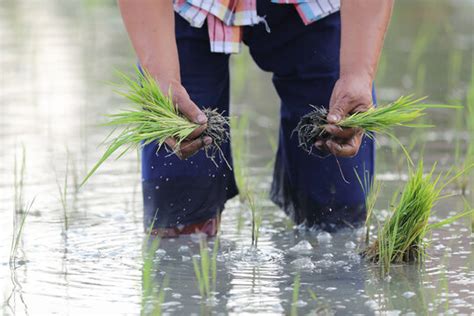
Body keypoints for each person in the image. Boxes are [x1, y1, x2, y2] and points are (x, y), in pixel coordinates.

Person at [118, 0, 394, 236]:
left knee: (338, 210)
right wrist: (162, 78)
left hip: (314, 7)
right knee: (177, 209)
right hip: (184, 7)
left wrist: (358, 74)